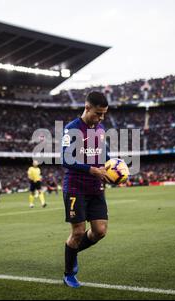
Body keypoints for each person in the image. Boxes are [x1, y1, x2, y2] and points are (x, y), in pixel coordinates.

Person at [61, 91, 111, 288]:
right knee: (78, 232)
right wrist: (92, 169)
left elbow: (105, 155)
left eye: (104, 114)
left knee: (100, 231)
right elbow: (66, 159)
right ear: (87, 107)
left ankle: (70, 251)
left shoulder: (100, 129)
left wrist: (114, 170)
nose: (101, 118)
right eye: (98, 113)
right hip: (75, 187)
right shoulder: (71, 129)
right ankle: (69, 273)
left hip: (96, 188)